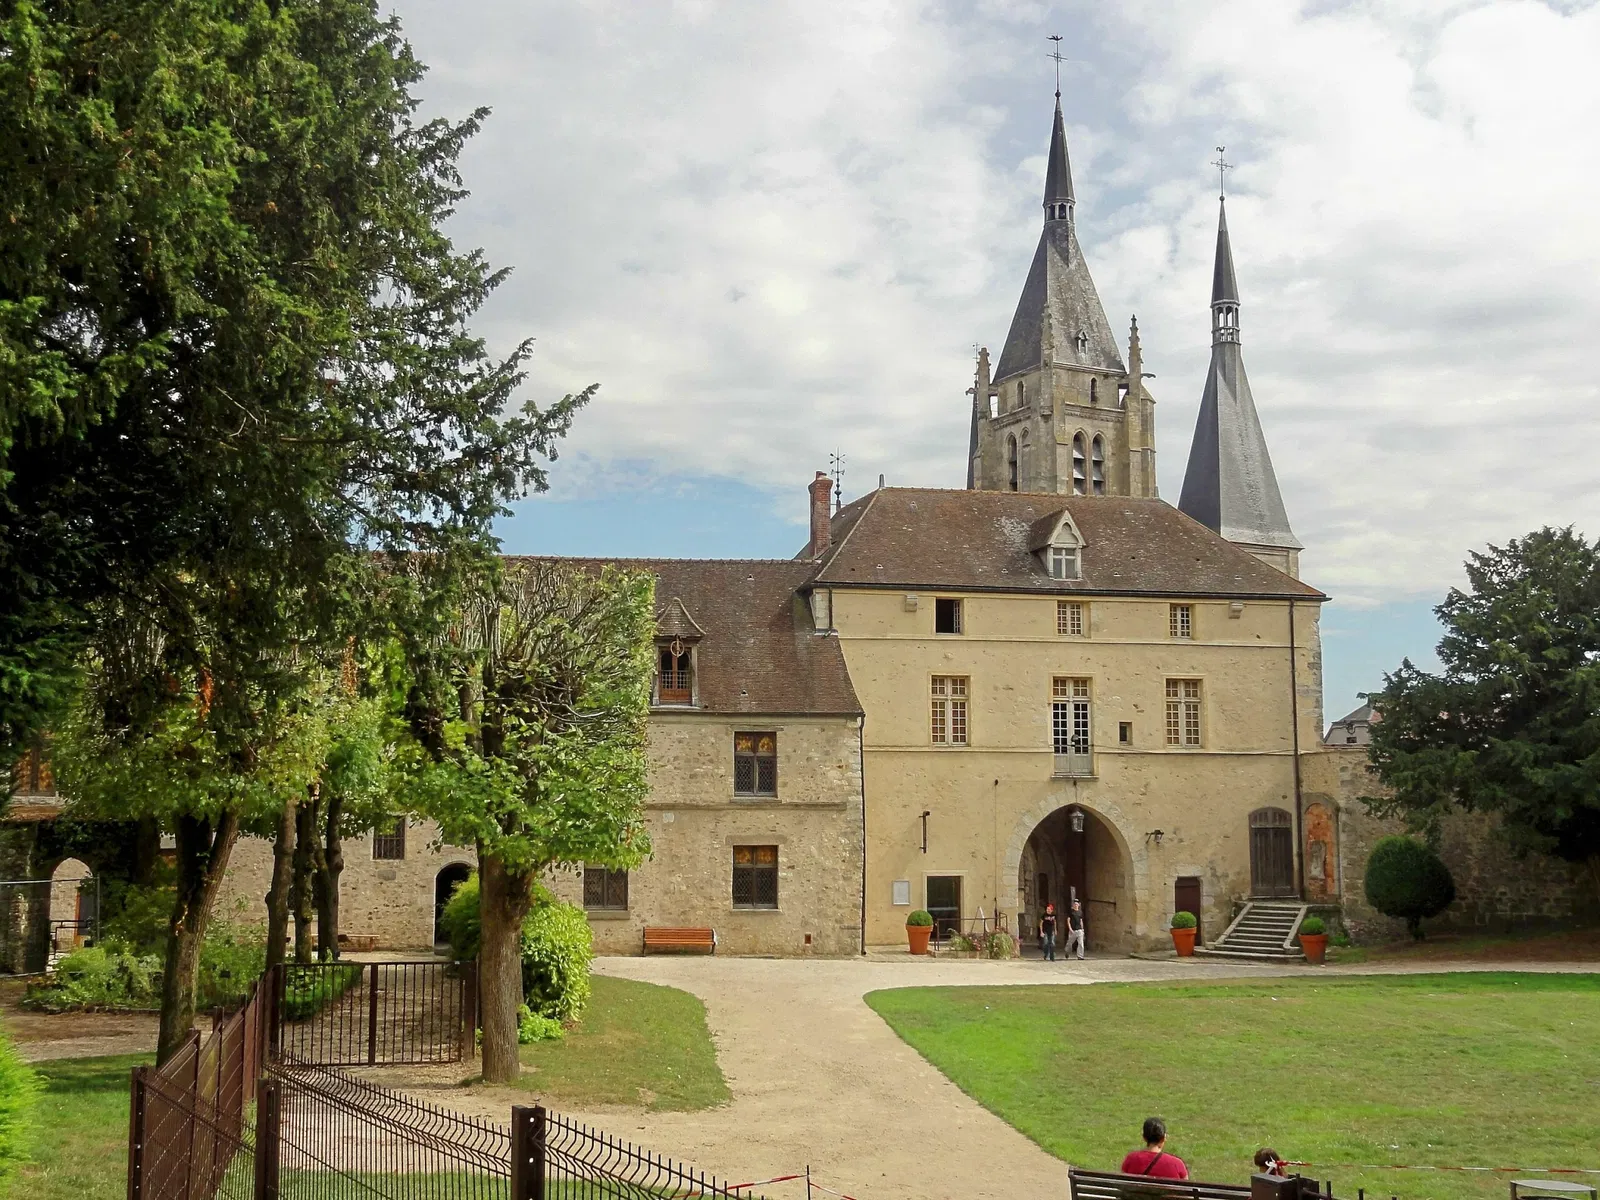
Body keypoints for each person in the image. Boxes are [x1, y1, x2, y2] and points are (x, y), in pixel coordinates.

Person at [1120, 1117, 1189, 1180]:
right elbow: (1186, 1189)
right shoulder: (1177, 1164)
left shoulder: (1131, 1159)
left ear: (1144, 1138)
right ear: (1163, 1138)